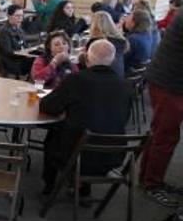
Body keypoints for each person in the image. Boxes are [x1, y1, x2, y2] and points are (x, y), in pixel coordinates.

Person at [39, 39, 130, 194]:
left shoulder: (76, 79)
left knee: (53, 136)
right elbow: (124, 117)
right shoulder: (125, 85)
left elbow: (48, 106)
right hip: (113, 155)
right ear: (113, 60)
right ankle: (82, 188)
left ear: (87, 59)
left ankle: (49, 187)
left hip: (77, 155)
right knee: (92, 127)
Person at [141, 11, 183, 205]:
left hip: (167, 80)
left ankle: (147, 178)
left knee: (160, 133)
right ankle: (151, 183)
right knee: (165, 136)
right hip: (170, 82)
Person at [84, 11, 128, 76]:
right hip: (119, 77)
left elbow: (89, 62)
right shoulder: (121, 40)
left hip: (101, 78)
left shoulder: (96, 42)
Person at [0, 5, 32, 77]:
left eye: (22, 16)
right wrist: (23, 53)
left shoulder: (19, 29)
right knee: (37, 62)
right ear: (9, 16)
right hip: (11, 62)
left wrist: (30, 50)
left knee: (40, 58)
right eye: (17, 16)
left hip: (20, 58)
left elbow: (25, 45)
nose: (20, 19)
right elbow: (8, 52)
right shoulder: (4, 31)